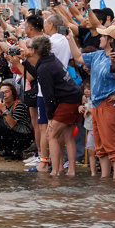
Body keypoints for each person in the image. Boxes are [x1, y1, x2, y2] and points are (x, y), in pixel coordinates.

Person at [67, 25, 115, 178]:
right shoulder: (98, 55)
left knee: (114, 143)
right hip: (97, 104)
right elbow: (78, 57)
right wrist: (70, 38)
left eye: (103, 36)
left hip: (113, 104)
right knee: (100, 144)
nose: (100, 38)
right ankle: (105, 178)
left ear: (110, 40)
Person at [22, 35, 83, 176]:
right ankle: (68, 170)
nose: (27, 48)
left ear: (35, 50)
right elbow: (38, 74)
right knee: (67, 136)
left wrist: (50, 118)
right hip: (75, 97)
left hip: (68, 101)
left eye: (30, 47)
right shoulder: (50, 59)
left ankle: (55, 171)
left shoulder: (45, 66)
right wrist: (24, 63)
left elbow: (48, 96)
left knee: (51, 135)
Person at [0, 81, 34, 160]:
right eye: (2, 93)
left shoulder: (18, 105)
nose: (4, 95)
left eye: (7, 92)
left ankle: (16, 150)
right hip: (11, 133)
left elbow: (12, 124)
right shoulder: (2, 105)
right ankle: (5, 149)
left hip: (23, 136)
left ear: (13, 93)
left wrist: (4, 110)